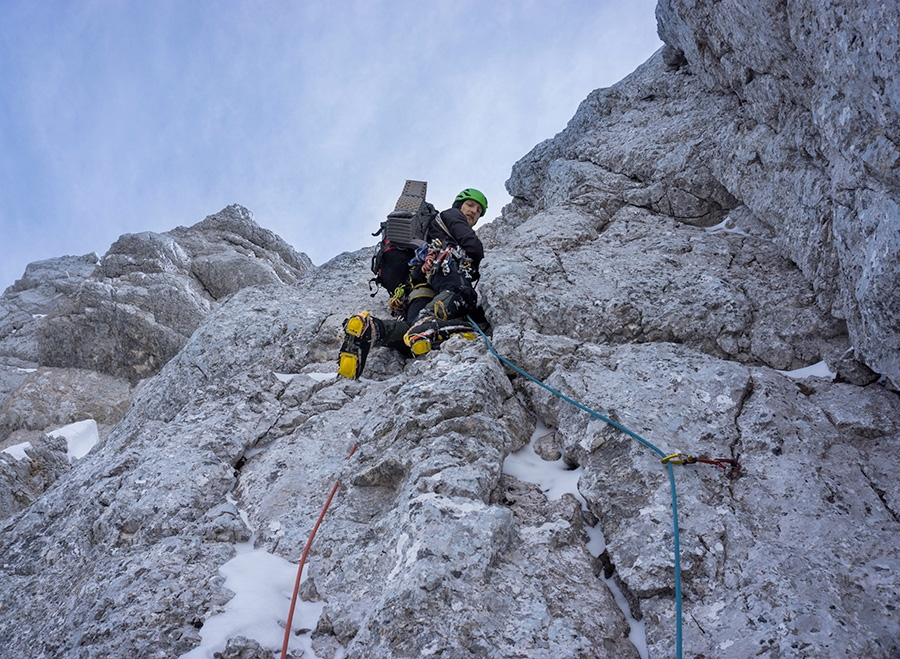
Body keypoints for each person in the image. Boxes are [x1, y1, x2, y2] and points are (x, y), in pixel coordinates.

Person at [338, 188, 488, 379]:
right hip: (444, 267)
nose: (474, 211)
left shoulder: (435, 229)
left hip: (418, 283)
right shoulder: (453, 215)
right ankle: (429, 319)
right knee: (463, 294)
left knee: (411, 335)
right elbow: (472, 246)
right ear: (459, 205)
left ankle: (370, 329)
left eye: (478, 211)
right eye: (470, 205)